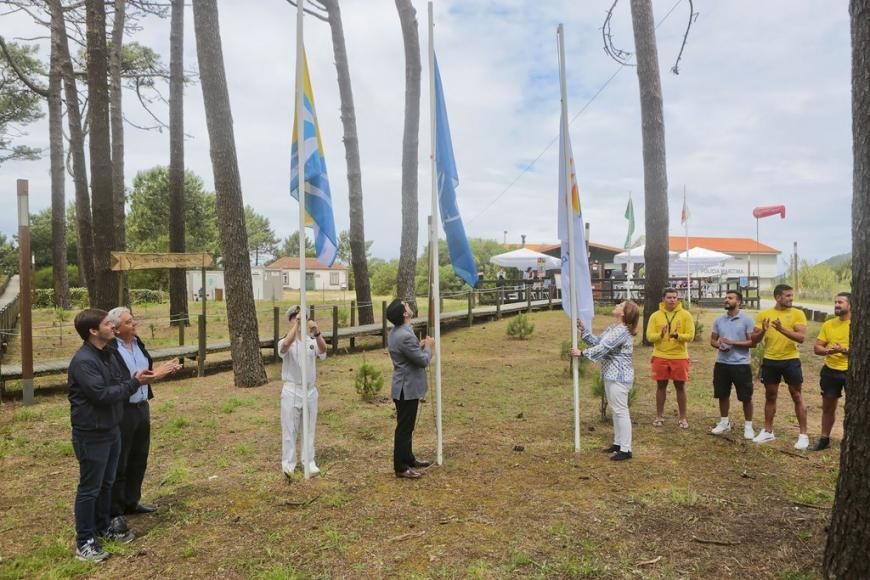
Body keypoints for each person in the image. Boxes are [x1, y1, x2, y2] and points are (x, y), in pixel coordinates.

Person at [68, 309, 154, 562]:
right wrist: (134, 383)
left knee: (107, 483)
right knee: (90, 488)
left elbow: (118, 381)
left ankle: (103, 527)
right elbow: (103, 394)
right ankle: (84, 542)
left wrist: (132, 382)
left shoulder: (106, 354)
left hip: (111, 429)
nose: (112, 327)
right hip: (92, 434)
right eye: (107, 324)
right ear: (93, 331)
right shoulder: (84, 361)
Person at [107, 307, 179, 518]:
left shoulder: (138, 343)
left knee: (139, 457)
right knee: (121, 460)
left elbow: (145, 374)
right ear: (117, 329)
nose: (135, 324)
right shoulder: (110, 351)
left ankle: (132, 501)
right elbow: (119, 381)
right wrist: (156, 375)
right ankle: (116, 511)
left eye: (133, 320)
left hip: (141, 407)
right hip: (122, 411)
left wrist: (161, 372)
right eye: (129, 322)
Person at [572, 301, 640, 461]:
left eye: (621, 305)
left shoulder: (622, 331)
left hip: (619, 376)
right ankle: (618, 443)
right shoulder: (614, 328)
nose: (617, 305)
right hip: (611, 375)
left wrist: (582, 353)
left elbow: (603, 348)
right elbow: (598, 343)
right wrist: (583, 330)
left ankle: (626, 449)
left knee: (621, 411)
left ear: (624, 313)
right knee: (616, 411)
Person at [751, 284, 809, 449]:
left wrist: (781, 329)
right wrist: (762, 331)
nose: (791, 298)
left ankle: (803, 435)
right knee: (770, 396)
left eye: (792, 296)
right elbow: (754, 340)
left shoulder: (797, 313)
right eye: (788, 296)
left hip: (791, 360)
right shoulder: (764, 314)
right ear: (777, 297)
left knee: (797, 395)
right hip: (770, 360)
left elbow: (801, 338)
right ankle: (768, 431)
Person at [386, 299, 434, 479]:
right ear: (404, 314)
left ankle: (409, 458)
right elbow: (422, 361)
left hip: (405, 387)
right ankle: (401, 467)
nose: (409, 306)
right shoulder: (404, 335)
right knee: (404, 429)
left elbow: (408, 352)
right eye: (406, 305)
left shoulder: (400, 332)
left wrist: (419, 346)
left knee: (407, 427)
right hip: (406, 389)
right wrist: (429, 348)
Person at [278, 305, 327, 477]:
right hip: (292, 390)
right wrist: (296, 326)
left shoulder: (310, 342)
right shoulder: (286, 340)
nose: (299, 320)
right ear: (290, 319)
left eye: (302, 317)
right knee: (290, 430)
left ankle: (309, 462)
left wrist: (316, 332)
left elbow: (323, 350)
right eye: (295, 317)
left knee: (309, 428)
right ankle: (289, 465)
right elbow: (284, 346)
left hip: (310, 391)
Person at [709, 291, 756, 439]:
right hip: (722, 363)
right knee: (722, 394)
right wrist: (719, 345)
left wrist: (732, 343)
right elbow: (713, 340)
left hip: (741, 364)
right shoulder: (719, 320)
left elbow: (752, 342)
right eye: (726, 298)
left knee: (746, 397)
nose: (726, 300)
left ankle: (748, 426)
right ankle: (724, 422)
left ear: (739, 302)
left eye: (730, 298)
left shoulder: (747, 320)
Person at [645, 288, 695, 428]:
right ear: (663, 299)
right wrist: (660, 335)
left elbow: (690, 336)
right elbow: (649, 336)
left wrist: (678, 336)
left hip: (679, 356)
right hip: (660, 355)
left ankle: (683, 418)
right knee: (661, 386)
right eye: (669, 297)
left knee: (680, 386)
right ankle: (659, 416)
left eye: (674, 297)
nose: (672, 300)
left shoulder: (685, 315)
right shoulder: (655, 316)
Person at [811, 292, 851, 451]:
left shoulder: (860, 324)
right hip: (830, 371)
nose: (836, 305)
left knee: (854, 409)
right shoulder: (829, 324)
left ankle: (851, 440)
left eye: (840, 302)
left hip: (851, 372)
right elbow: (817, 347)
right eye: (835, 302)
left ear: (850, 304)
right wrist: (829, 352)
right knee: (828, 407)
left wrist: (845, 350)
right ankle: (824, 439)